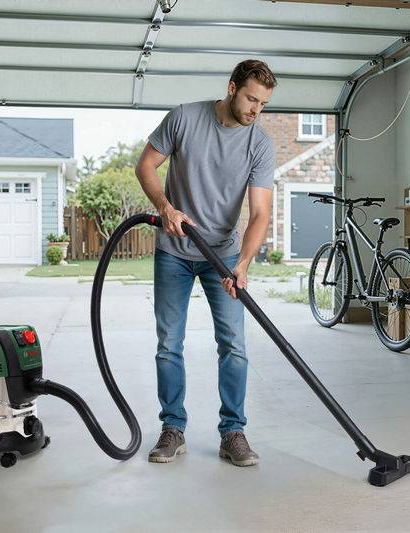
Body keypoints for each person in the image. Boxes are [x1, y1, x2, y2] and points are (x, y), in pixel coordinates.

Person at [135, 59, 276, 467]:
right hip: (174, 252)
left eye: (263, 104)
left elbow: (261, 213)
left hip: (224, 256)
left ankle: (233, 431)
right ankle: (173, 428)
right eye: (251, 98)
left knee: (234, 345)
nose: (255, 110)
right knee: (168, 343)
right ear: (232, 89)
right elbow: (146, 165)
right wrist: (165, 207)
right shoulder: (184, 118)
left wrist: (244, 264)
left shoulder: (260, 144)